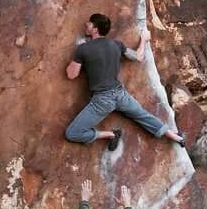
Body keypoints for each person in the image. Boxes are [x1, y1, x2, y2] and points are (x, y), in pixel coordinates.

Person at [65, 13, 184, 150]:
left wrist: (76, 59)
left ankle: (111, 135)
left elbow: (71, 75)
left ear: (95, 29)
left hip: (102, 100)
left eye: (90, 23)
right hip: (120, 94)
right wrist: (144, 40)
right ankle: (176, 137)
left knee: (72, 133)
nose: (86, 25)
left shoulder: (84, 49)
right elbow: (138, 57)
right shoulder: (116, 44)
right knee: (143, 115)